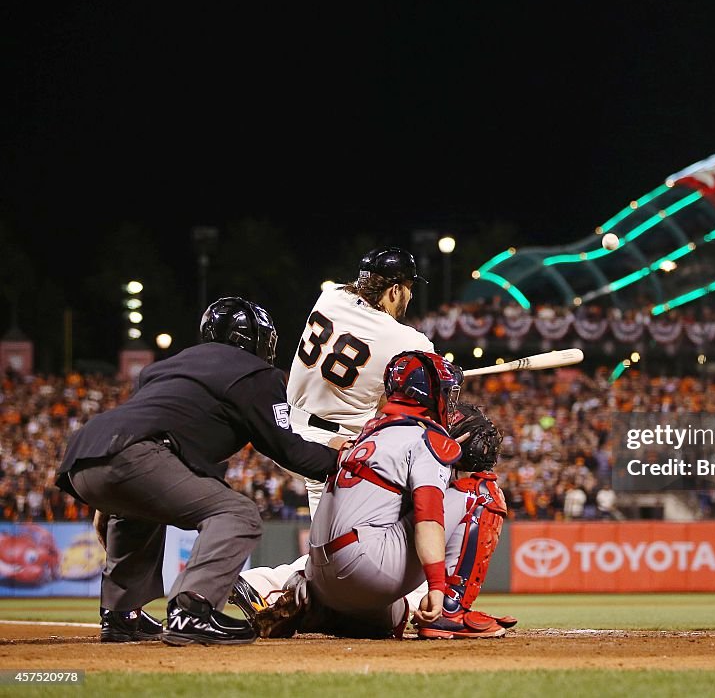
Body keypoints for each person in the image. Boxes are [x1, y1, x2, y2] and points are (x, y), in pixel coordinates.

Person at [55, 297, 342, 646]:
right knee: (239, 515)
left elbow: (142, 422)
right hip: (136, 455)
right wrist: (337, 458)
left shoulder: (165, 366)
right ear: (255, 339)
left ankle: (121, 614)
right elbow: (289, 451)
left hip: (86, 453)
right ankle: (193, 608)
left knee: (138, 513)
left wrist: (109, 494)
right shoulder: (255, 372)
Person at [237, 353, 514, 640]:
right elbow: (429, 520)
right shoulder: (427, 439)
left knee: (395, 615)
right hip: (365, 567)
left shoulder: (369, 433)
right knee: (484, 491)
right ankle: (451, 613)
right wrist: (436, 586)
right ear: (430, 393)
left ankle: (314, 609)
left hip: (319, 575)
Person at [233, 247, 439, 616]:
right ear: (394, 290)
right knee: (342, 549)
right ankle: (263, 583)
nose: (409, 295)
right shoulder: (409, 342)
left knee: (349, 541)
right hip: (333, 449)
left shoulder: (330, 297)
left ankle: (267, 585)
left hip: (286, 430)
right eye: (407, 287)